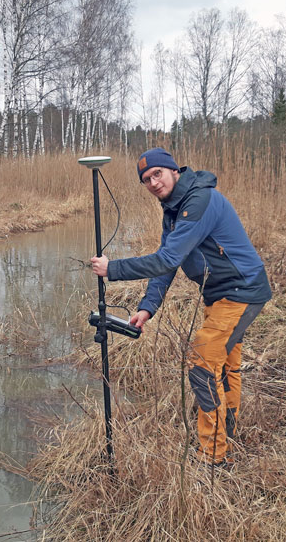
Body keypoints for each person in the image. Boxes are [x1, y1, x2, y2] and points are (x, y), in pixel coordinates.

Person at [90, 147, 271, 467]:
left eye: (157, 174)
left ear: (174, 170)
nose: (153, 183)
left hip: (242, 291)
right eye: (146, 180)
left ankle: (213, 457)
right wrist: (147, 308)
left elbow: (168, 259)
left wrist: (113, 268)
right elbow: (167, 264)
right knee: (224, 364)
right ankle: (226, 429)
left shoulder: (199, 200)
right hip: (220, 296)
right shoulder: (174, 209)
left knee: (202, 363)